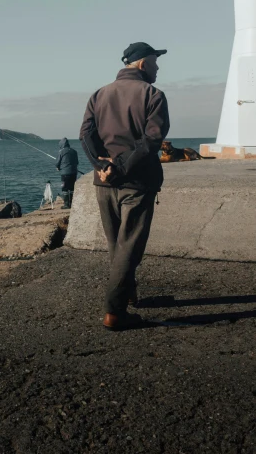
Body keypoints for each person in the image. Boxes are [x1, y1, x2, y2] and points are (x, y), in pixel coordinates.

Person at [79, 42, 170, 331]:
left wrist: (102, 166)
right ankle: (115, 312)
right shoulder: (153, 95)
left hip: (104, 183)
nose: (158, 68)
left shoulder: (99, 94)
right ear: (142, 64)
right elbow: (152, 140)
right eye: (155, 63)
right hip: (137, 181)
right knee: (129, 245)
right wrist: (119, 167)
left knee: (115, 244)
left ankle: (127, 293)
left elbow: (86, 134)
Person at [55, 138, 79, 209]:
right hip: (74, 172)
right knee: (72, 188)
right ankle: (71, 204)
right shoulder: (74, 151)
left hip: (65, 173)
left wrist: (58, 167)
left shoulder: (61, 152)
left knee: (65, 188)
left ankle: (66, 205)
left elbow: (57, 163)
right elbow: (77, 162)